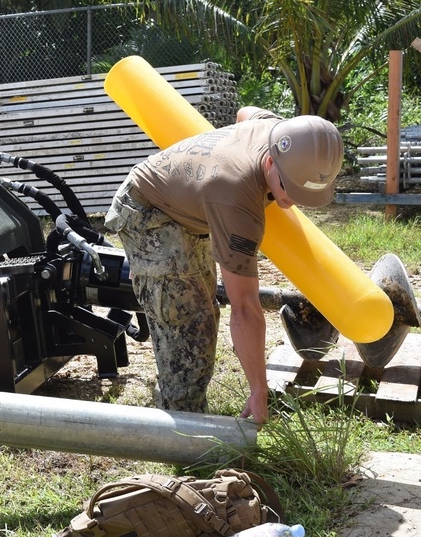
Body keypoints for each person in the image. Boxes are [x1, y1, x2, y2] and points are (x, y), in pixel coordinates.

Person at [104, 106, 343, 424]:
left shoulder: (283, 133)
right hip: (149, 213)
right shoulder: (236, 201)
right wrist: (259, 390)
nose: (293, 201)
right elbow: (245, 306)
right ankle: (183, 434)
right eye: (289, 189)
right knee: (189, 324)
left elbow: (246, 112)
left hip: (190, 207)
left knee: (203, 304)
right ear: (271, 161)